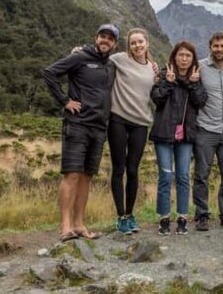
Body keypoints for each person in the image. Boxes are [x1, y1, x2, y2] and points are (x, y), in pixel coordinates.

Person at [43, 24, 118, 242]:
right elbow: (50, 73)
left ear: (114, 43)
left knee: (86, 176)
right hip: (77, 124)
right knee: (72, 174)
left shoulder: (111, 65)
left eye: (110, 38)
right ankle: (65, 227)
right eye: (102, 36)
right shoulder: (79, 57)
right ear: (96, 38)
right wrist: (64, 101)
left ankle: (79, 225)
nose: (105, 40)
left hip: (98, 127)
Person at [150, 41, 207, 235]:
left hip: (186, 136)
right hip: (164, 134)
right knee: (165, 176)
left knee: (183, 177)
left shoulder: (195, 79)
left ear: (193, 59)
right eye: (181, 55)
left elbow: (201, 101)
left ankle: (182, 217)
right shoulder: (165, 74)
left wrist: (192, 84)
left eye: (188, 56)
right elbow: (156, 98)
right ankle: (164, 217)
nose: (184, 59)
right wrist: (168, 82)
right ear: (174, 56)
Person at [106, 28, 159, 234]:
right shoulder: (119, 59)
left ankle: (130, 213)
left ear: (147, 43)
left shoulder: (152, 69)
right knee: (118, 168)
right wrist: (78, 51)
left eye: (140, 42)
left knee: (133, 170)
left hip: (141, 123)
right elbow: (99, 56)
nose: (137, 46)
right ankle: (121, 217)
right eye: (133, 43)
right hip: (118, 119)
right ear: (129, 45)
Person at [193, 32, 223, 231]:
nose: (219, 49)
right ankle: (202, 215)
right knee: (202, 174)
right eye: (216, 46)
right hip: (205, 128)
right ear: (210, 47)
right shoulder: (200, 67)